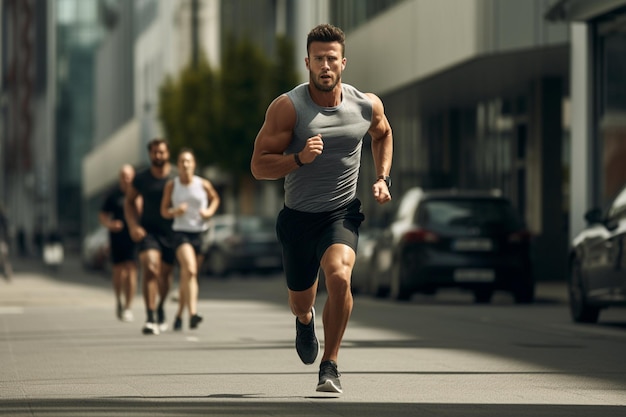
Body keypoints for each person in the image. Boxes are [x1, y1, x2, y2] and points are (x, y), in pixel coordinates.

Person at [250, 23, 393, 394]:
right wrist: (298, 159)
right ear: (307, 63)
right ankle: (305, 319)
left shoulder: (365, 105)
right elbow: (259, 165)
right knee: (301, 301)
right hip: (298, 218)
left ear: (343, 62)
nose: (325, 66)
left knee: (341, 277)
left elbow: (383, 133)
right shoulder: (289, 108)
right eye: (318, 59)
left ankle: (330, 365)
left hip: (340, 213)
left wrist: (382, 178)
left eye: (331, 58)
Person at [160, 148, 220, 331]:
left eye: (188, 161)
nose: (185, 165)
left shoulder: (203, 184)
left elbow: (215, 198)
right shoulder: (172, 185)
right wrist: (174, 212)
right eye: (181, 162)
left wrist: (209, 212)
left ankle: (179, 314)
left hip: (199, 233)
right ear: (177, 166)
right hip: (181, 233)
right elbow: (164, 211)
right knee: (190, 270)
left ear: (193, 165)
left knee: (189, 276)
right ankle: (193, 314)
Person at [124, 138, 176, 335]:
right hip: (149, 231)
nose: (158, 156)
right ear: (149, 154)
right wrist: (133, 225)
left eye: (161, 152)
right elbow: (129, 202)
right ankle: (150, 316)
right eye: (154, 152)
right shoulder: (141, 178)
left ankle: (161, 306)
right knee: (151, 268)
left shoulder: (176, 177)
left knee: (166, 274)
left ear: (167, 153)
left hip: (172, 232)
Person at [99, 164, 141, 322]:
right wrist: (110, 225)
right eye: (124, 176)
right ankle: (119, 300)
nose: (126, 178)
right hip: (117, 236)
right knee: (118, 271)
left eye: (129, 175)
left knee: (131, 269)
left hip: (133, 236)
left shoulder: (138, 193)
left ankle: (128, 307)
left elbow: (142, 212)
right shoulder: (113, 195)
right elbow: (102, 215)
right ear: (120, 178)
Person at [0, 203, 13, 281]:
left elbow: (6, 231)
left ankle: (7, 273)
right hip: (3, 241)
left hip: (2, 240)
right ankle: (7, 273)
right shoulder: (4, 218)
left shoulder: (3, 218)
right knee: (4, 258)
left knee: (4, 258)